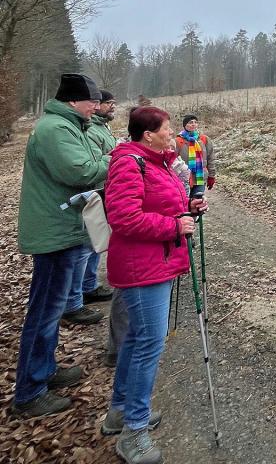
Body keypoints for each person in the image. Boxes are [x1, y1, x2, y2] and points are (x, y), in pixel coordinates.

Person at [101, 106, 207, 464]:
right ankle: (134, 431)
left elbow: (162, 203)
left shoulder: (155, 160)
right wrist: (173, 227)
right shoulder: (129, 163)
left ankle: (119, 411)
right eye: (167, 128)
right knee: (148, 345)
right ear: (148, 133)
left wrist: (189, 207)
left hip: (154, 265)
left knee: (136, 339)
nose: (172, 132)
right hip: (142, 269)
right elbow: (123, 217)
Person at [12, 74, 109, 418]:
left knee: (50, 310)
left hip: (64, 228)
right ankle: (29, 392)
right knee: (44, 311)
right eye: (92, 101)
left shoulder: (69, 126)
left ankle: (44, 371)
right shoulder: (55, 129)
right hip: (55, 233)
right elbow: (80, 171)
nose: (96, 107)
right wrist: (120, 161)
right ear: (73, 101)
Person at [75, 90, 117, 307]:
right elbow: (93, 162)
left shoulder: (102, 126)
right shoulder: (91, 130)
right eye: (108, 103)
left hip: (104, 190)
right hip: (94, 192)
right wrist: (117, 157)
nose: (113, 106)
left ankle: (89, 285)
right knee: (89, 242)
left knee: (96, 242)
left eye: (113, 103)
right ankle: (80, 292)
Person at [174, 114, 216, 198]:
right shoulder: (178, 141)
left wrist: (211, 175)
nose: (193, 124)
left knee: (198, 203)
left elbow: (210, 158)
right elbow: (173, 161)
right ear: (185, 125)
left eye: (195, 122)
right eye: (190, 122)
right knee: (185, 204)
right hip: (183, 178)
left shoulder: (204, 139)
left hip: (200, 177)